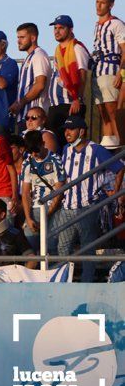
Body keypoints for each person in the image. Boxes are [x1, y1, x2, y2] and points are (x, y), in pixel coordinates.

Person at [57, 116, 125, 282]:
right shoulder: (66, 149)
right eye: (66, 129)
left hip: (88, 206)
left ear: (81, 131)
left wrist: (116, 192)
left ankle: (86, 282)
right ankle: (62, 281)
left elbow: (119, 168)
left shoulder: (96, 150)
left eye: (71, 129)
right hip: (67, 206)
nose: (67, 133)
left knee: (88, 248)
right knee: (62, 247)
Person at [20, 131, 66, 254]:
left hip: (53, 208)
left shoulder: (55, 160)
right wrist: (28, 218)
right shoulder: (27, 163)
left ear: (43, 144)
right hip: (35, 208)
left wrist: (47, 215)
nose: (34, 154)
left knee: (51, 246)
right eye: (31, 151)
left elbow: (59, 190)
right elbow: (25, 193)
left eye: (36, 150)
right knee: (30, 245)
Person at [48, 15, 90, 140]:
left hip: (70, 104)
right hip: (56, 105)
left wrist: (77, 99)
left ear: (70, 29)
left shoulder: (77, 48)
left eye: (61, 28)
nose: (57, 31)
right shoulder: (58, 50)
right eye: (55, 28)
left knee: (68, 142)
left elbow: (82, 75)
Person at [93, 0, 125, 147]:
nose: (98, 6)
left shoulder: (116, 23)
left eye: (102, 2)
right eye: (97, 2)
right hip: (97, 71)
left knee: (112, 110)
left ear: (111, 5)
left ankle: (121, 142)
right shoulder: (97, 26)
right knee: (102, 111)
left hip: (110, 69)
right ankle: (109, 143)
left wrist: (121, 71)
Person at [11, 23, 52, 131]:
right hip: (26, 115)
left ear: (33, 38)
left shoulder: (39, 56)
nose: (18, 41)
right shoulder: (29, 57)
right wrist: (17, 102)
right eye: (18, 37)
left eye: (22, 37)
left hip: (35, 117)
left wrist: (22, 102)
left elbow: (40, 84)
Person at [0, 198, 35, 264]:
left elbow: (32, 259)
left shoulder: (15, 234)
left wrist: (23, 274)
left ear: (2, 215)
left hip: (10, 273)